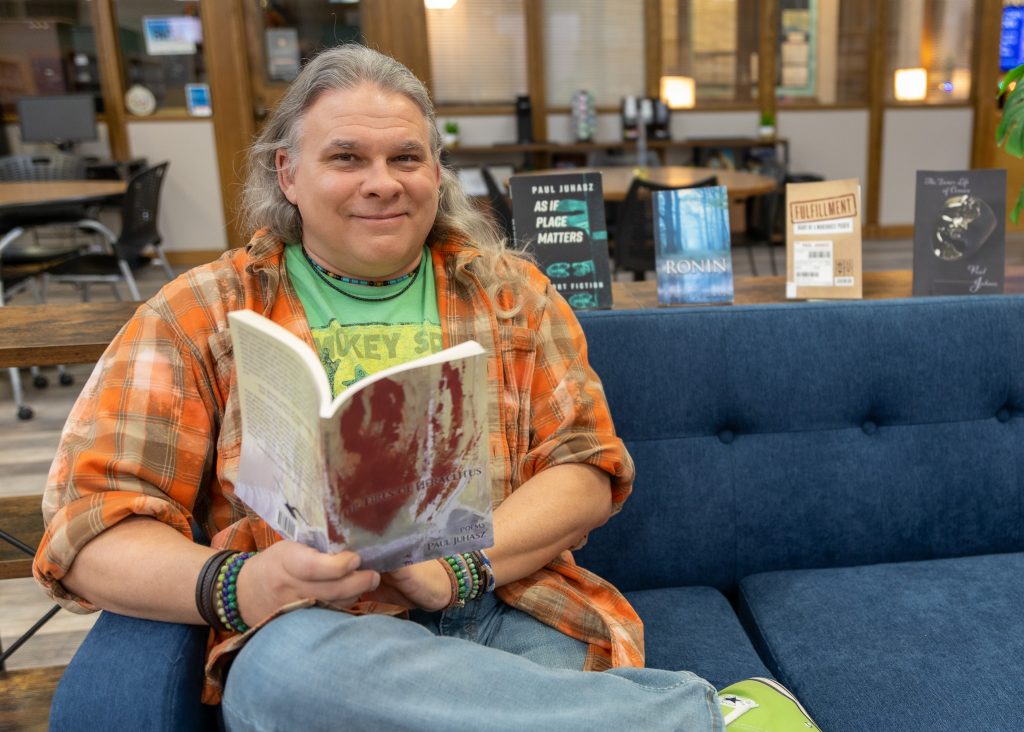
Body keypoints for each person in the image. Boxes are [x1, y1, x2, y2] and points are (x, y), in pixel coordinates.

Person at [33, 45, 817, 731]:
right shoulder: (201, 312)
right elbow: (91, 525)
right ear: (289, 173)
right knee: (281, 681)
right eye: (347, 158)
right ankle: (704, 720)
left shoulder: (510, 293)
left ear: (436, 173)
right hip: (318, 631)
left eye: (406, 158)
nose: (383, 183)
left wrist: (457, 568)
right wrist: (245, 584)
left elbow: (587, 468)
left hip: (507, 604)